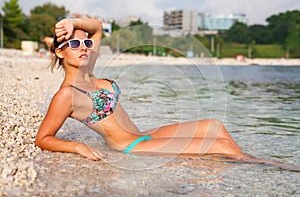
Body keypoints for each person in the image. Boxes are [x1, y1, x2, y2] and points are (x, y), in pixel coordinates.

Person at [34, 18, 254, 163]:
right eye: (74, 44)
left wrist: (72, 23)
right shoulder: (66, 95)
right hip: (131, 145)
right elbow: (43, 138)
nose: (83, 47)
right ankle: (264, 167)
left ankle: (247, 163)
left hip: (144, 133)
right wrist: (76, 146)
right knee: (221, 147)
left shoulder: (88, 71)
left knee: (214, 127)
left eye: (86, 43)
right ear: (60, 53)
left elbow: (98, 27)